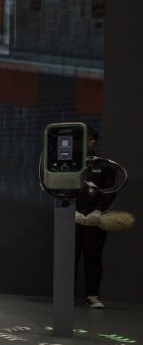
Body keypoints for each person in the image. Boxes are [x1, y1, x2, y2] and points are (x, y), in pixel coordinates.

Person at [74, 129, 116, 308]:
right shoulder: (70, 164)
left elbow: (110, 191)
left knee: (93, 257)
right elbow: (61, 189)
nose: (87, 143)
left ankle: (92, 295)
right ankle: (65, 294)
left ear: (95, 142)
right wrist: (72, 211)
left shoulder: (105, 166)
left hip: (95, 219)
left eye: (91, 140)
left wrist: (98, 211)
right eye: (84, 140)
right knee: (69, 258)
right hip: (72, 218)